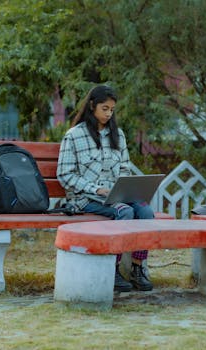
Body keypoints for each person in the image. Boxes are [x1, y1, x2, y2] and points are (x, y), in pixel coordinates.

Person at [56, 85, 154, 292]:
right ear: (92, 106)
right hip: (85, 198)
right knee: (124, 211)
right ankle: (113, 269)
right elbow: (65, 175)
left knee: (145, 210)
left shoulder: (118, 135)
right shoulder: (74, 136)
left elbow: (125, 167)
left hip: (115, 194)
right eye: (105, 108)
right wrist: (96, 189)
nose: (109, 114)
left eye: (112, 109)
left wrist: (127, 187)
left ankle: (138, 268)